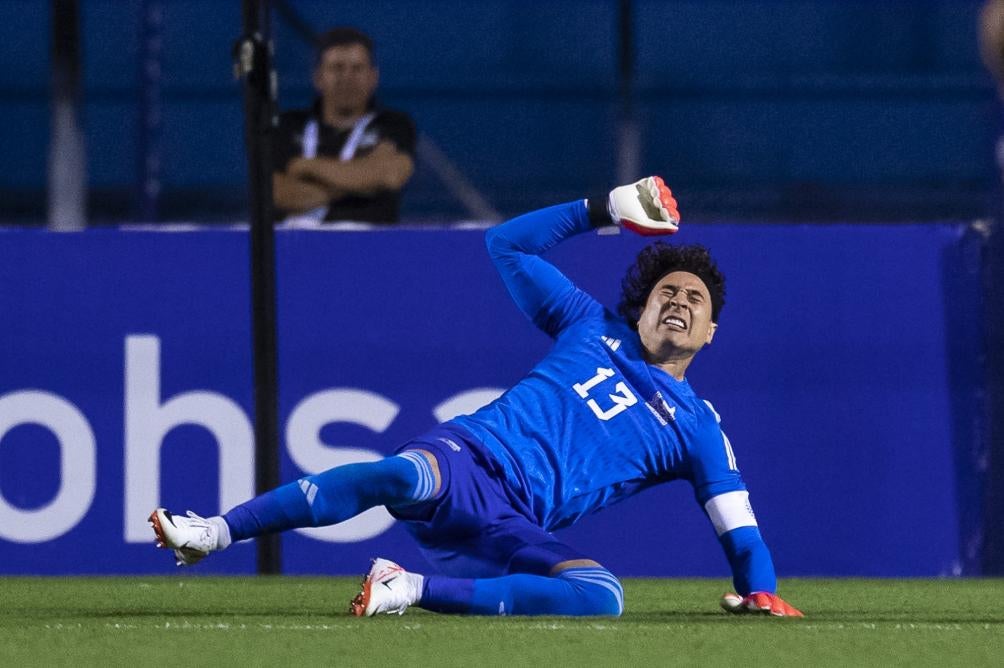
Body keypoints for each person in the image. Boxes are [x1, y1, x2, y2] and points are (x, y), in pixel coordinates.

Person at [150, 176, 803, 618]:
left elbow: (742, 537)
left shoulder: (698, 429)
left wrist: (761, 594)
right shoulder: (589, 323)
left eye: (696, 299)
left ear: (711, 331)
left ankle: (406, 588)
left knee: (602, 597)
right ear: (642, 308)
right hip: (466, 458)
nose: (680, 301)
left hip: (512, 524)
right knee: (397, 475)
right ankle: (212, 532)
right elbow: (506, 243)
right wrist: (604, 208)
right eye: (668, 291)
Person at [272, 27, 416, 225]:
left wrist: (306, 166)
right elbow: (276, 194)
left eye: (357, 68)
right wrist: (364, 179)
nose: (347, 78)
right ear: (318, 78)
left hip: (367, 246)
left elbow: (390, 175)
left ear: (373, 77)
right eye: (337, 68)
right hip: (294, 245)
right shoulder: (286, 125)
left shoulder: (393, 125)